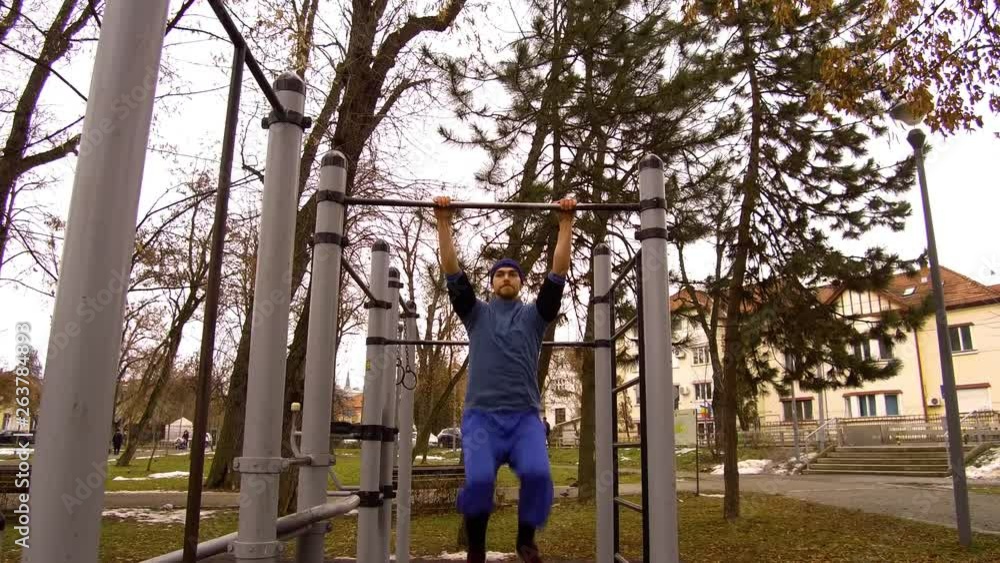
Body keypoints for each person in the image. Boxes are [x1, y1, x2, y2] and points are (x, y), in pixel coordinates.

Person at [434, 195, 576, 563]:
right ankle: (476, 549)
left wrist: (565, 223)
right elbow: (452, 271)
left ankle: (525, 540)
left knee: (538, 475)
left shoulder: (535, 316)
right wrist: (443, 221)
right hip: (482, 418)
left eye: (513, 274)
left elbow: (558, 273)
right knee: (480, 481)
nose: (507, 277)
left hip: (524, 418)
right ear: (492, 283)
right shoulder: (475, 313)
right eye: (500, 274)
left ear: (521, 283)